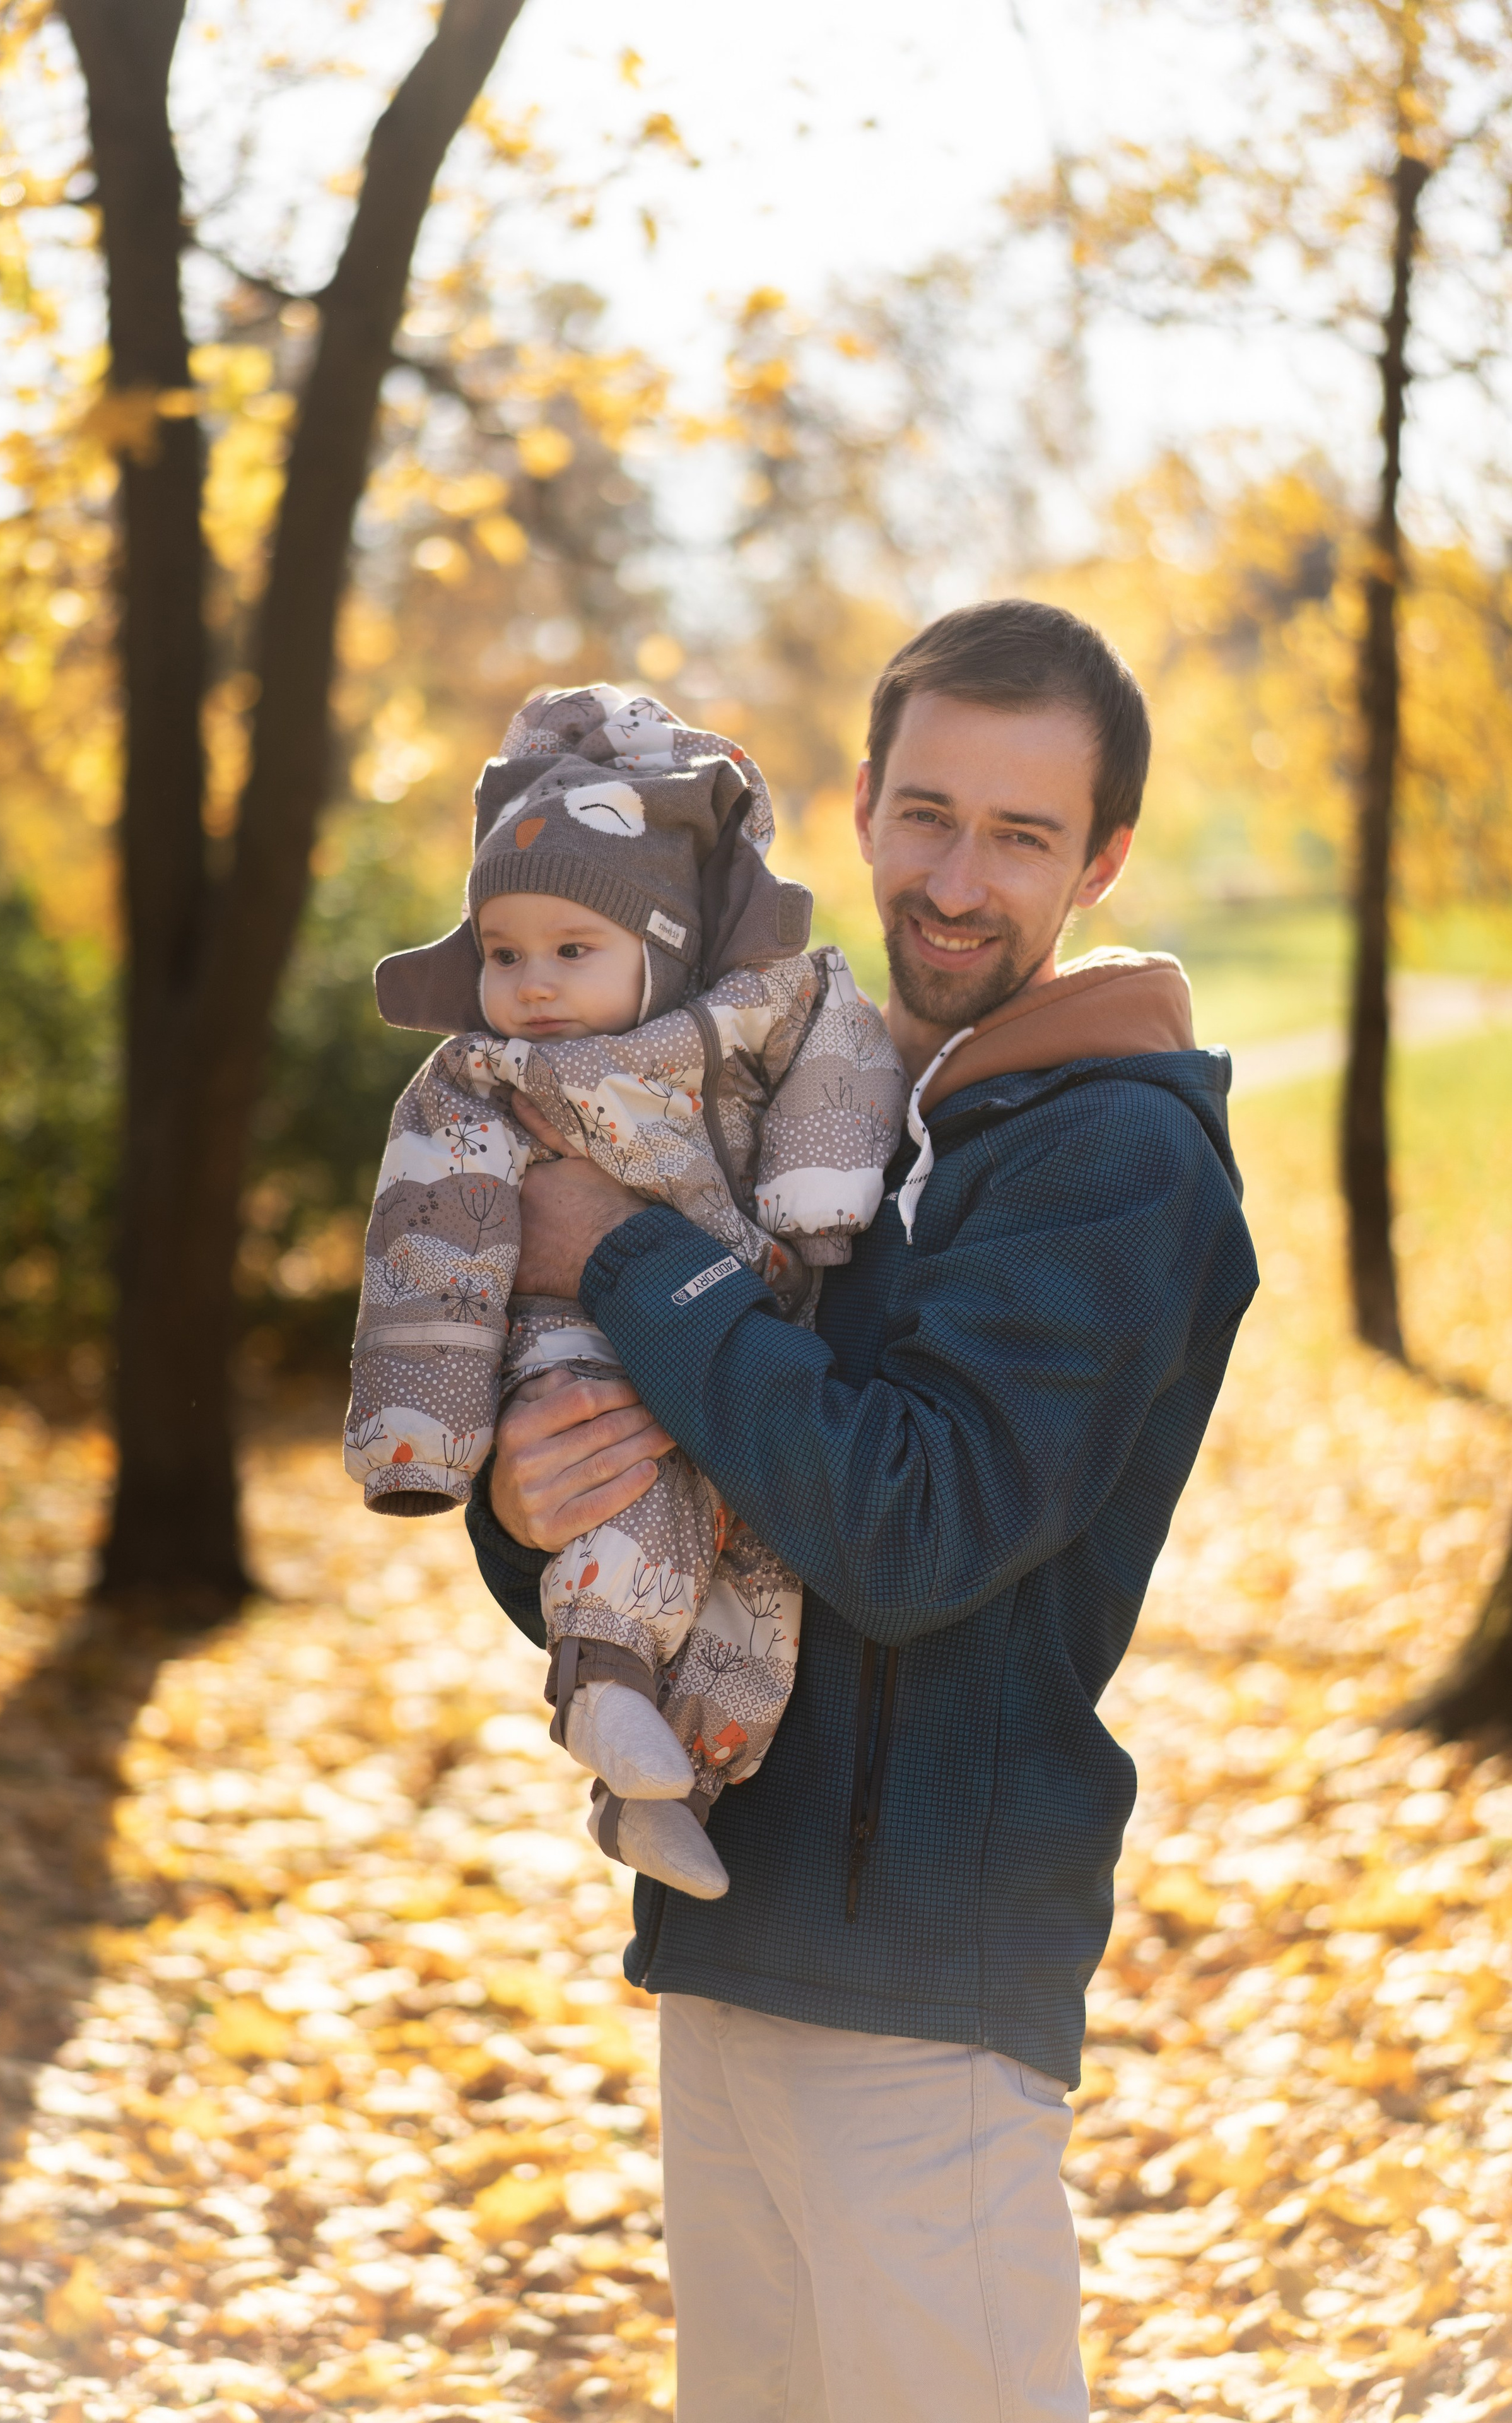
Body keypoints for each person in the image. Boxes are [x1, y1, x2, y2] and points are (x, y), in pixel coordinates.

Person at [466, 601, 1259, 2422]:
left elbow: (908, 1528)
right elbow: (676, 1474)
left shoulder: (1112, 1157)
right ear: (862, 806)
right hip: (735, 1929)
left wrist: (639, 1256)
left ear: (1104, 860)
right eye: (928, 814)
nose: (958, 877)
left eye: (1021, 834)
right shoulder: (803, 1105)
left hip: (927, 1977)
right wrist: (526, 1506)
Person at [344, 683, 905, 1901]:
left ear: (662, 949)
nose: (533, 986)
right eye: (503, 955)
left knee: (758, 1587)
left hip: (750, 1350)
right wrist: (426, 1440)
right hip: (583, 1352)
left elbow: (843, 1055)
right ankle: (604, 1692)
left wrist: (819, 1185)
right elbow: (428, 1254)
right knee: (629, 1500)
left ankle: (671, 1789)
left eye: (572, 952)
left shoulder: (760, 1005)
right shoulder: (482, 1082)